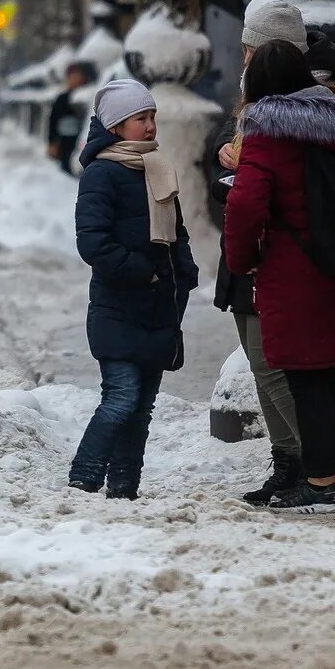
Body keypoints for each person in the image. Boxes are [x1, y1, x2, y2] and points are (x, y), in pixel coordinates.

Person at [224, 41, 335, 513]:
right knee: (328, 377)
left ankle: (320, 483)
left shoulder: (267, 133)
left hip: (295, 271)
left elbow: (246, 204)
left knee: (306, 378)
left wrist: (241, 259)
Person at [70, 79, 198, 499]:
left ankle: (125, 486)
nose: (150, 126)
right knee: (121, 398)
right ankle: (83, 477)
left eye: (152, 117)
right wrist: (142, 271)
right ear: (116, 127)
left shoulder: (157, 167)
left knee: (141, 409)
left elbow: (176, 232)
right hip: (117, 307)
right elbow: (92, 242)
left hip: (160, 308)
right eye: (140, 119)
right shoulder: (102, 173)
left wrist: (185, 270)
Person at [212, 2, 308, 505]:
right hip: (249, 255)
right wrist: (224, 159)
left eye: (253, 49)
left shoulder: (294, 109)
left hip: (269, 256)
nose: (245, 59)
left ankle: (311, 463)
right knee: (260, 363)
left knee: (273, 366)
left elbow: (264, 191)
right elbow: (226, 178)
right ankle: (288, 460)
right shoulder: (251, 104)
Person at [47, 62, 92, 176]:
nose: (75, 79)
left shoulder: (87, 98)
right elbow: (53, 121)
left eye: (78, 76)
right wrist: (52, 142)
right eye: (72, 76)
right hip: (64, 141)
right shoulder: (61, 98)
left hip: (80, 139)